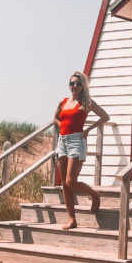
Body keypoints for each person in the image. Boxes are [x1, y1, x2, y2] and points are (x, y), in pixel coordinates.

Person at [54, 71, 109, 230]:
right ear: (69, 85)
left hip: (77, 141)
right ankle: (72, 220)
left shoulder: (87, 102)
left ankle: (94, 195)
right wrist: (62, 126)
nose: (75, 86)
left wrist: (88, 129)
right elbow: (56, 118)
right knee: (64, 184)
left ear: (83, 86)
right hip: (62, 141)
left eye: (78, 83)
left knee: (71, 182)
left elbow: (105, 117)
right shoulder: (63, 102)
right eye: (72, 83)